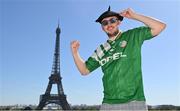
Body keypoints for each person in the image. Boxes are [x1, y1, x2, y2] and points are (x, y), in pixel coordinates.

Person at [70, 6, 166, 111]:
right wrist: (75, 53)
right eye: (104, 23)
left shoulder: (132, 36)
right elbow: (84, 70)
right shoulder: (100, 49)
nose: (109, 24)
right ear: (102, 27)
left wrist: (135, 16)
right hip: (108, 103)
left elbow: (160, 27)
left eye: (112, 20)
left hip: (134, 101)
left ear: (119, 22)